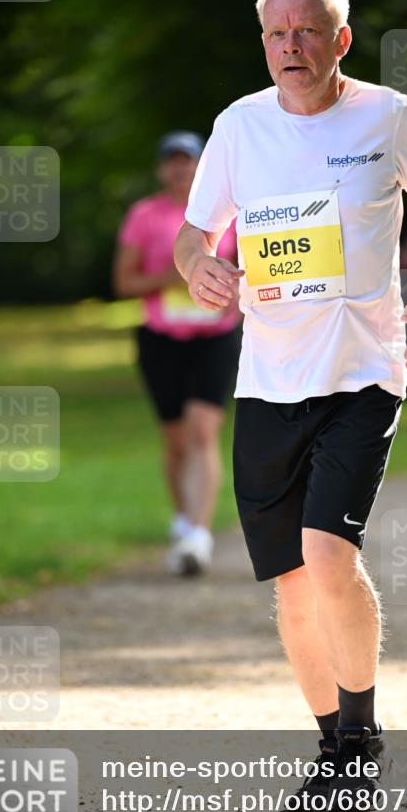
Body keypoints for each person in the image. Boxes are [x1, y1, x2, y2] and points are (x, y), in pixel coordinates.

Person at [174, 0, 407, 809]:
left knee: (328, 556)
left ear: (338, 40)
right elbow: (194, 234)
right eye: (275, 35)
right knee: (292, 583)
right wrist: (198, 265)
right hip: (268, 380)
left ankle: (360, 734)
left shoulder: (385, 115)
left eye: (306, 33)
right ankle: (332, 747)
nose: (289, 49)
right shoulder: (239, 126)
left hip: (363, 373)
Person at [114, 131, 242, 576]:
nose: (180, 168)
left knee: (203, 432)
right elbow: (125, 283)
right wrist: (174, 276)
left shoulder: (231, 212)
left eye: (188, 160)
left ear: (203, 165)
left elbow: (252, 271)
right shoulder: (144, 215)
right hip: (161, 338)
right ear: (160, 169)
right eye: (171, 161)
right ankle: (185, 518)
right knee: (175, 439)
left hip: (216, 336)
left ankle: (198, 536)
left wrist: (235, 301)